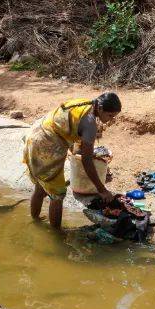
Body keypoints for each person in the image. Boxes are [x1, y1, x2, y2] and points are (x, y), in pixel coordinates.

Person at [23, 92, 121, 229]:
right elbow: (87, 162)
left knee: (41, 185)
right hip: (46, 145)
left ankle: (35, 223)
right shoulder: (90, 123)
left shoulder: (85, 104)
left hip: (35, 134)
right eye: (110, 115)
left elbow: (69, 128)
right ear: (100, 108)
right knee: (57, 195)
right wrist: (102, 189)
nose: (110, 119)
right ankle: (56, 236)